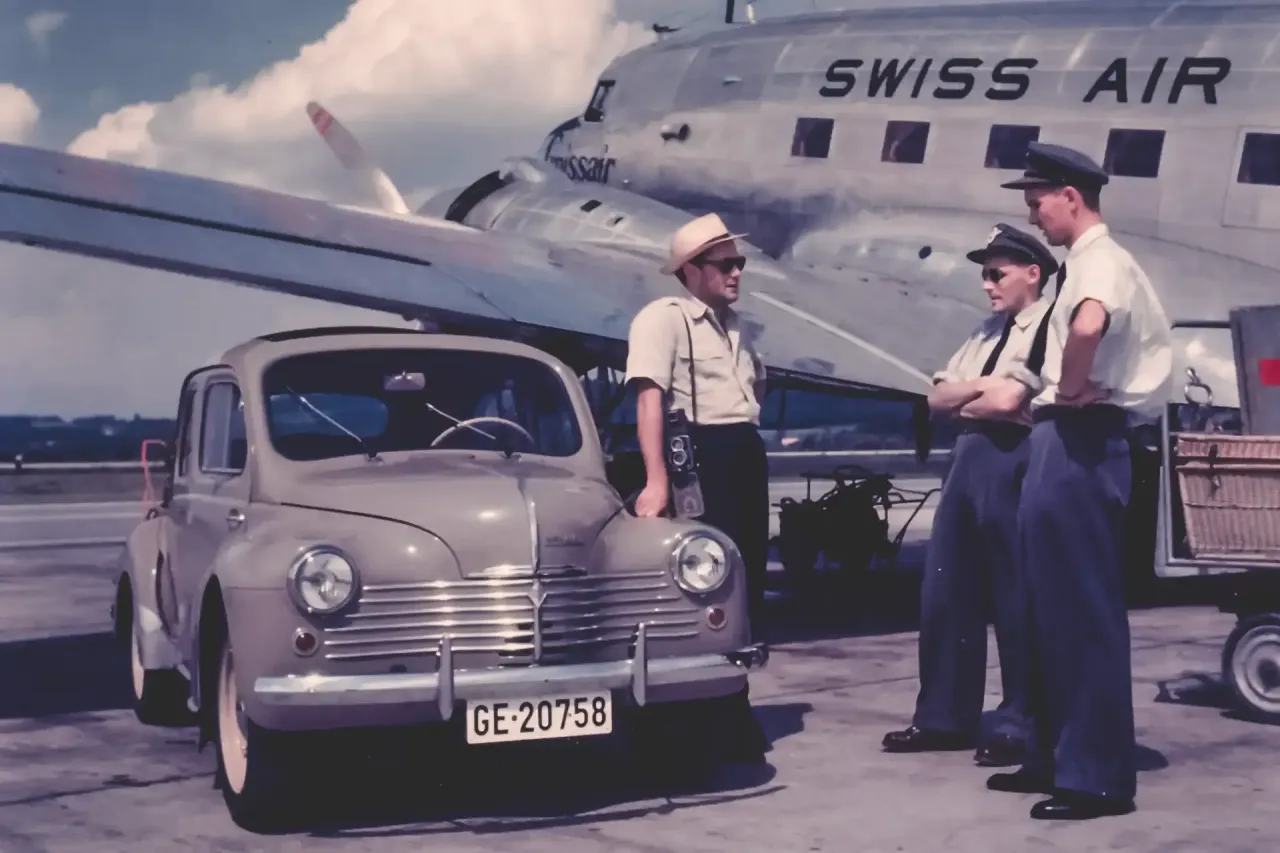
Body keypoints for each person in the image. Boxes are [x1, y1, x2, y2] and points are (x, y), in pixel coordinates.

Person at [986, 141, 1173, 820]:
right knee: (1046, 607)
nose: (1032, 215)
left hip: (1080, 440)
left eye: (1037, 201)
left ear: (1071, 197)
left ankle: (1095, 778)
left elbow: (1089, 325)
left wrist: (1067, 390)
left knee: (1081, 612)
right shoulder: (1082, 264)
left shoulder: (1100, 261)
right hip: (1060, 441)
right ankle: (1052, 756)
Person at [882, 223, 1055, 769]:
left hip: (1016, 457)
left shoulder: (1049, 327)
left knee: (1015, 595)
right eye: (984, 274)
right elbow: (937, 398)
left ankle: (1019, 723)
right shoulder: (984, 333)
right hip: (969, 458)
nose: (987, 284)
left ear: (1033, 273)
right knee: (946, 590)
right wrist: (981, 391)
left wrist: (974, 397)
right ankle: (943, 717)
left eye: (996, 274)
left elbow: (1010, 404)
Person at [624, 211, 771, 761]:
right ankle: (696, 718)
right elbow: (649, 402)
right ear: (691, 269)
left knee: (746, 584)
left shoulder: (739, 326)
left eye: (739, 263)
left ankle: (733, 706)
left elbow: (755, 390)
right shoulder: (664, 320)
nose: (736, 273)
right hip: (699, 455)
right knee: (701, 587)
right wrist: (656, 479)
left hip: (742, 451)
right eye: (724, 264)